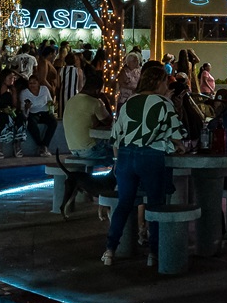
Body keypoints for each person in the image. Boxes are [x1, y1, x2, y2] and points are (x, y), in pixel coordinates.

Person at [103, 63, 185, 267]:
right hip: (150, 157)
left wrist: (116, 162)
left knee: (124, 204)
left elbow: (116, 136)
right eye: (166, 81)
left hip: (125, 156)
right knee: (156, 205)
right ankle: (153, 254)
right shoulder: (164, 103)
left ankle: (110, 250)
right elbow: (177, 135)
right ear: (159, 82)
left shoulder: (129, 101)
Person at [64, 68, 113, 160]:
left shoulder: (71, 100)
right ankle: (113, 173)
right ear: (97, 90)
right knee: (118, 152)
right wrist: (105, 100)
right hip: (90, 150)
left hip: (73, 149)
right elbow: (109, 122)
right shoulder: (94, 102)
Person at [20, 74, 57, 152]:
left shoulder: (44, 89)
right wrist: (27, 108)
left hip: (45, 112)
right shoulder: (24, 93)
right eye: (30, 83)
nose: (32, 85)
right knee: (31, 124)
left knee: (53, 122)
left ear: (38, 83)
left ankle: (45, 144)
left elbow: (49, 101)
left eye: (34, 83)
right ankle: (40, 145)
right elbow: (22, 109)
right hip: (33, 113)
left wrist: (52, 107)